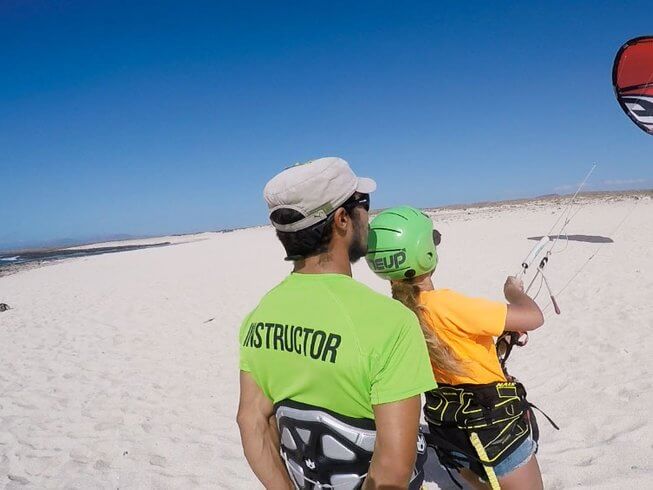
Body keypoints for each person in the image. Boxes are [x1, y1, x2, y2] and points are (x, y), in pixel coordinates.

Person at [236, 158, 437, 490]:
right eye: (364, 205)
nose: (368, 217)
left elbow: (251, 421)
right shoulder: (391, 324)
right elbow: (391, 471)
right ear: (342, 220)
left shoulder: (258, 317)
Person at [366, 206, 547, 490]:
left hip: (448, 431)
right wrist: (513, 290)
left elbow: (446, 355)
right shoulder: (447, 304)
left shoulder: (394, 314)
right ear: (425, 253)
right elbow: (534, 317)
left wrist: (497, 345)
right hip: (495, 430)